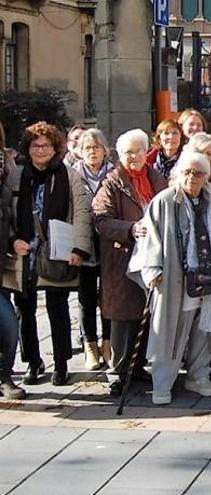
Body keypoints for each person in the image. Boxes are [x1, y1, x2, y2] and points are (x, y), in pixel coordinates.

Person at [128, 150, 211, 405]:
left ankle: (198, 376)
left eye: (198, 173)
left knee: (205, 328)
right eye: (187, 172)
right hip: (177, 278)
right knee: (172, 330)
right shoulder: (164, 201)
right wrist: (152, 268)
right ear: (178, 174)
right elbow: (151, 237)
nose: (192, 178)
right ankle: (162, 383)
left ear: (206, 177)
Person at [13, 121, 93, 386]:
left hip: (57, 248)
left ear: (55, 147)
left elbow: (82, 212)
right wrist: (13, 240)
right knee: (25, 309)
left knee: (57, 308)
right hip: (25, 250)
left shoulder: (68, 175)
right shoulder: (17, 175)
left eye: (45, 145)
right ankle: (33, 362)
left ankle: (61, 363)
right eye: (35, 145)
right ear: (28, 147)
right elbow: (7, 210)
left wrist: (80, 248)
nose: (40, 150)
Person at [92, 129, 168, 396]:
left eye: (138, 150)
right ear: (119, 154)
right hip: (122, 259)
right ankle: (118, 371)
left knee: (145, 314)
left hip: (152, 258)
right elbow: (101, 220)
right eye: (127, 152)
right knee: (123, 319)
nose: (133, 156)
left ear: (146, 151)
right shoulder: (111, 182)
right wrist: (130, 228)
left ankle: (136, 368)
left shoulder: (157, 178)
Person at [70, 128, 114, 370]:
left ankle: (108, 343)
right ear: (80, 152)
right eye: (88, 148)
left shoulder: (114, 173)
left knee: (108, 297)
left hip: (108, 245)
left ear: (105, 150)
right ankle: (90, 345)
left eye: (97, 147)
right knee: (86, 298)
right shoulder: (73, 175)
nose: (93, 152)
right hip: (84, 244)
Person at [0, 123, 26, 398]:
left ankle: (4, 375)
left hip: (4, 257)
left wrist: (13, 239)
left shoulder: (9, 165)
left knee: (8, 324)